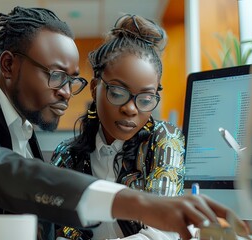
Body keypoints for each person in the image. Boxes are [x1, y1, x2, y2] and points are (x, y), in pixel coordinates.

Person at [0, 6, 248, 240]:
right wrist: (138, 204)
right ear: (8, 65)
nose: (66, 93)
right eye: (57, 76)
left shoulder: (24, 136)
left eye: (72, 81)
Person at [50, 14, 185, 240]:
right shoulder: (68, 154)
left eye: (145, 99)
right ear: (95, 88)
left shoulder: (164, 139)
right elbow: (55, 230)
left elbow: (162, 232)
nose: (130, 109)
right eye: (117, 93)